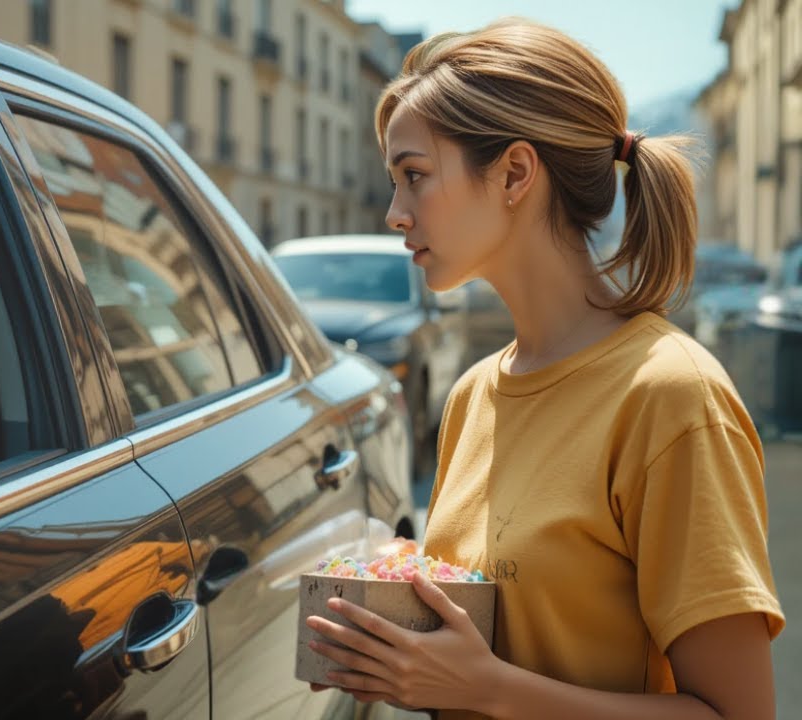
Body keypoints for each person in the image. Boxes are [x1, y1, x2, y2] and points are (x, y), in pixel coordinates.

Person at [305, 20, 785, 720]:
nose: (394, 213)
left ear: (515, 174)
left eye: (414, 176)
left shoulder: (673, 396)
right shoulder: (472, 396)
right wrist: (397, 632)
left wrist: (487, 689)